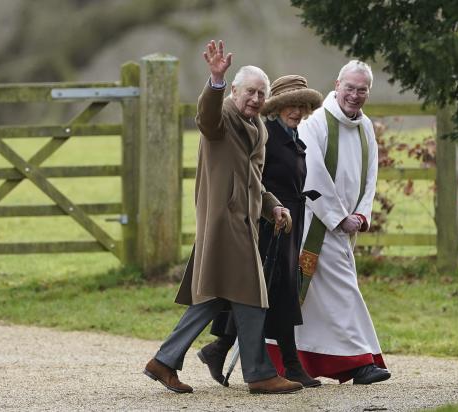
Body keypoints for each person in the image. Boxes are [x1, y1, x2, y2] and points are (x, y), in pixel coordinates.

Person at [143, 40, 303, 395]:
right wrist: (214, 80)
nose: (256, 99)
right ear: (234, 90)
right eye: (250, 91)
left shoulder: (258, 128)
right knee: (252, 297)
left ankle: (164, 361)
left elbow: (254, 182)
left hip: (245, 223)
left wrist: (273, 205)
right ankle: (260, 373)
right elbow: (206, 117)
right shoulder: (224, 116)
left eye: (262, 93)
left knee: (216, 297)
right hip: (224, 223)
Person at [197, 75, 323, 388]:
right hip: (266, 225)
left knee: (275, 292)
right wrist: (268, 210)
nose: (297, 111)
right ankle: (287, 365)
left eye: (302, 106)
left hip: (289, 221)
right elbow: (253, 178)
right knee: (268, 293)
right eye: (291, 105)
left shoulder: (293, 136)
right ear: (277, 107)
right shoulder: (268, 135)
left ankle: (219, 348)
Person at [279, 60, 392, 385]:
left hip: (346, 228)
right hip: (315, 224)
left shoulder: (365, 126)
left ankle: (286, 359)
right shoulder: (315, 123)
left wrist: (362, 213)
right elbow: (311, 173)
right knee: (343, 291)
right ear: (337, 84)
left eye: (362, 90)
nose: (355, 95)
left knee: (317, 300)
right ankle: (359, 362)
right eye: (350, 88)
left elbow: (371, 173)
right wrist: (339, 217)